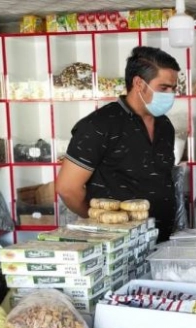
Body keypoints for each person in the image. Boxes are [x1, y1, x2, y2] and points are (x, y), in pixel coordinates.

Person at [56, 46, 180, 242]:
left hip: (162, 240)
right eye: (164, 88)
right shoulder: (99, 124)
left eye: (174, 88)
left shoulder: (165, 125)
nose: (171, 94)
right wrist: (103, 222)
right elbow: (67, 188)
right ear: (139, 83)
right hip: (118, 246)